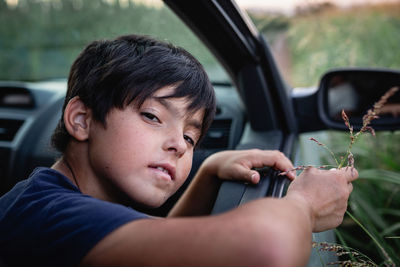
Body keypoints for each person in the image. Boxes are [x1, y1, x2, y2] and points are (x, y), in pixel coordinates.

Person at [0, 34, 358, 267]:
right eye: (153, 116)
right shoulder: (53, 217)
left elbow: (157, 251)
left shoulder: (41, 199)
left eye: (190, 137)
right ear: (81, 120)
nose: (178, 145)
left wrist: (207, 172)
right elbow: (266, 253)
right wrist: (305, 206)